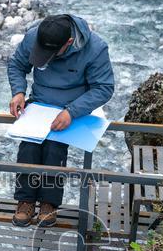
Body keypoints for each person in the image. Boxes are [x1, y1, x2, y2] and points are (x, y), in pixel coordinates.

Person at [7, 13, 114, 228]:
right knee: (29, 146)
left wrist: (72, 112)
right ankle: (25, 200)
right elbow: (17, 65)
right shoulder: (34, 37)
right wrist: (18, 91)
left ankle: (49, 203)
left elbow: (104, 87)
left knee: (54, 149)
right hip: (39, 104)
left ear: (69, 42)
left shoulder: (95, 48)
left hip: (72, 107)